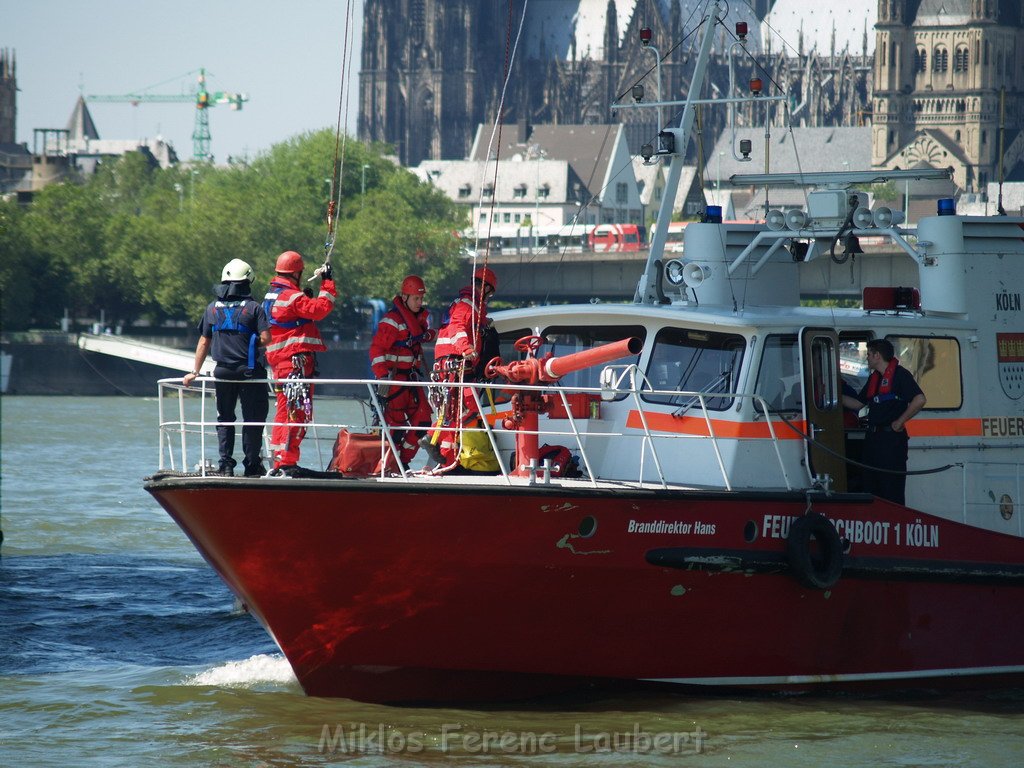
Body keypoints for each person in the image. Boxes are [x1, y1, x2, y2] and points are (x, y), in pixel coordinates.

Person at [183, 258, 272, 477]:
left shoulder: (212, 309)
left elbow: (204, 342)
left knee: (225, 418)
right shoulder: (254, 308)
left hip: (222, 373)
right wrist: (252, 344)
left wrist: (194, 371)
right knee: (253, 418)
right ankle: (252, 465)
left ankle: (226, 465)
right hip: (249, 372)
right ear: (247, 282)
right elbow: (266, 338)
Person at [263, 250, 337, 473]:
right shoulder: (292, 297)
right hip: (295, 363)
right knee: (297, 412)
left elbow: (292, 317)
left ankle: (280, 459)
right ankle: (287, 462)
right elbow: (321, 309)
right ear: (296, 273)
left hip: (281, 363)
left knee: (284, 411)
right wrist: (328, 283)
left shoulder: (273, 295)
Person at [427, 267, 498, 468]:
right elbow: (458, 328)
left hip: (451, 362)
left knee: (453, 409)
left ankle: (446, 457)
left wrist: (484, 322)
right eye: (489, 294)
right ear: (485, 289)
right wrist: (466, 349)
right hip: (455, 361)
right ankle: (432, 437)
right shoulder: (467, 305)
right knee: (464, 409)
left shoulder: (471, 306)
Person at [842, 338, 926, 505]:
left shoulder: (900, 375)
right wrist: (834, 394)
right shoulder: (875, 378)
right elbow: (858, 404)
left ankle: (894, 525)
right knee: (870, 486)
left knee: (891, 490)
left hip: (891, 442)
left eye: (869, 354)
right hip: (873, 441)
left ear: (877, 356)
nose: (867, 358)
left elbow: (920, 399)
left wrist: (900, 421)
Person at [369, 275, 436, 467]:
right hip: (394, 381)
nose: (419, 302)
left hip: (410, 380)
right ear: (404, 297)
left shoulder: (418, 321)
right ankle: (388, 463)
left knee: (423, 419)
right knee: (395, 426)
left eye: (421, 299)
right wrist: (383, 377)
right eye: (416, 298)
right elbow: (376, 350)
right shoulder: (391, 321)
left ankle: (403, 462)